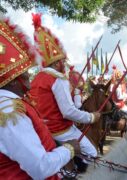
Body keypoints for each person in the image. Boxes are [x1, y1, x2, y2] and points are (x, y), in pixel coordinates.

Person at [0, 16, 80, 179]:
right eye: (25, 74)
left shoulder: (11, 104)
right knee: (92, 152)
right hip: (58, 140)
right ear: (14, 80)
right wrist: (70, 149)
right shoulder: (11, 112)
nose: (30, 76)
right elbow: (40, 167)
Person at [28, 13, 100, 166]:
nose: (63, 64)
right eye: (62, 61)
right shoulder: (57, 79)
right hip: (60, 130)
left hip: (41, 129)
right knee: (93, 154)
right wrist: (92, 117)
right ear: (56, 63)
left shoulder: (36, 78)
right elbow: (68, 111)